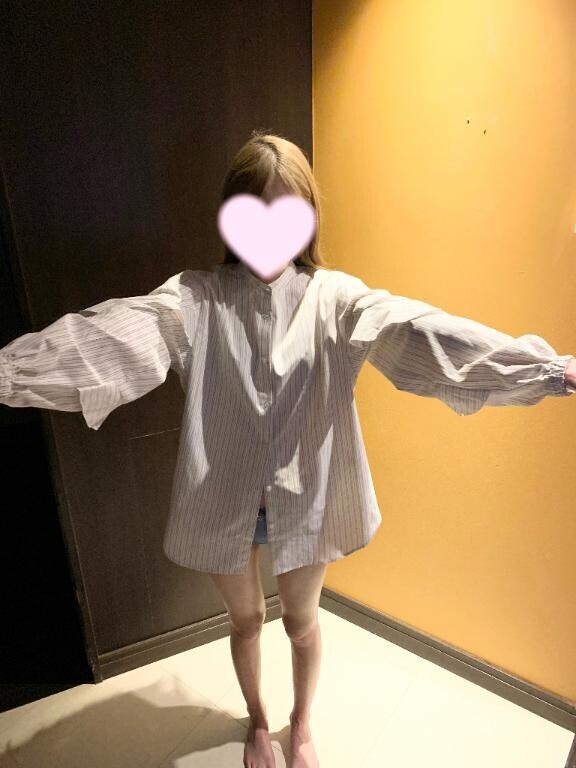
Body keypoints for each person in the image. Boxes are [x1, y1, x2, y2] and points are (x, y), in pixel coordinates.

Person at [0, 129, 575, 768]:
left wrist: (547, 371)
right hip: (223, 496)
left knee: (302, 623)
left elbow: (422, 332)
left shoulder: (337, 299)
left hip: (308, 497)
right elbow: (107, 339)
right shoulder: (194, 298)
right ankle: (257, 720)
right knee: (245, 622)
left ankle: (300, 725)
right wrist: (8, 372)